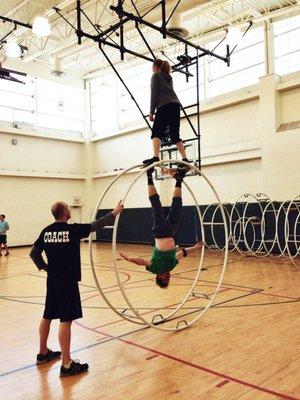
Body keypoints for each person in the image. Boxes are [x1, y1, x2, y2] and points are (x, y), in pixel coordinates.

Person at [30, 200, 123, 377]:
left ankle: (42, 354)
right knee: (66, 319)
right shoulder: (72, 230)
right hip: (68, 281)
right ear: (65, 213)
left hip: (53, 280)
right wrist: (115, 212)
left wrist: (45, 267)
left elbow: (33, 253)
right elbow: (97, 225)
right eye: (68, 208)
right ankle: (67, 364)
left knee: (48, 314)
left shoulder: (46, 231)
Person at [120, 169, 202, 288]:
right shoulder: (171, 266)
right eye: (168, 279)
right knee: (177, 206)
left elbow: (142, 261)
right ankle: (178, 180)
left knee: (156, 205)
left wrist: (129, 259)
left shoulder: (154, 268)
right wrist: (195, 247)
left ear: (159, 277)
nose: (169, 277)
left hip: (160, 232)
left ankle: (149, 176)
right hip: (171, 232)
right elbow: (182, 253)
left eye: (166, 279)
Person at [143, 59, 190, 172]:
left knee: (156, 132)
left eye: (152, 67)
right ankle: (185, 160)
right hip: (175, 105)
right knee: (175, 135)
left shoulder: (156, 76)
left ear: (155, 67)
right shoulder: (168, 77)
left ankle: (155, 157)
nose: (152, 69)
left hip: (164, 105)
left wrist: (151, 112)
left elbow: (153, 94)